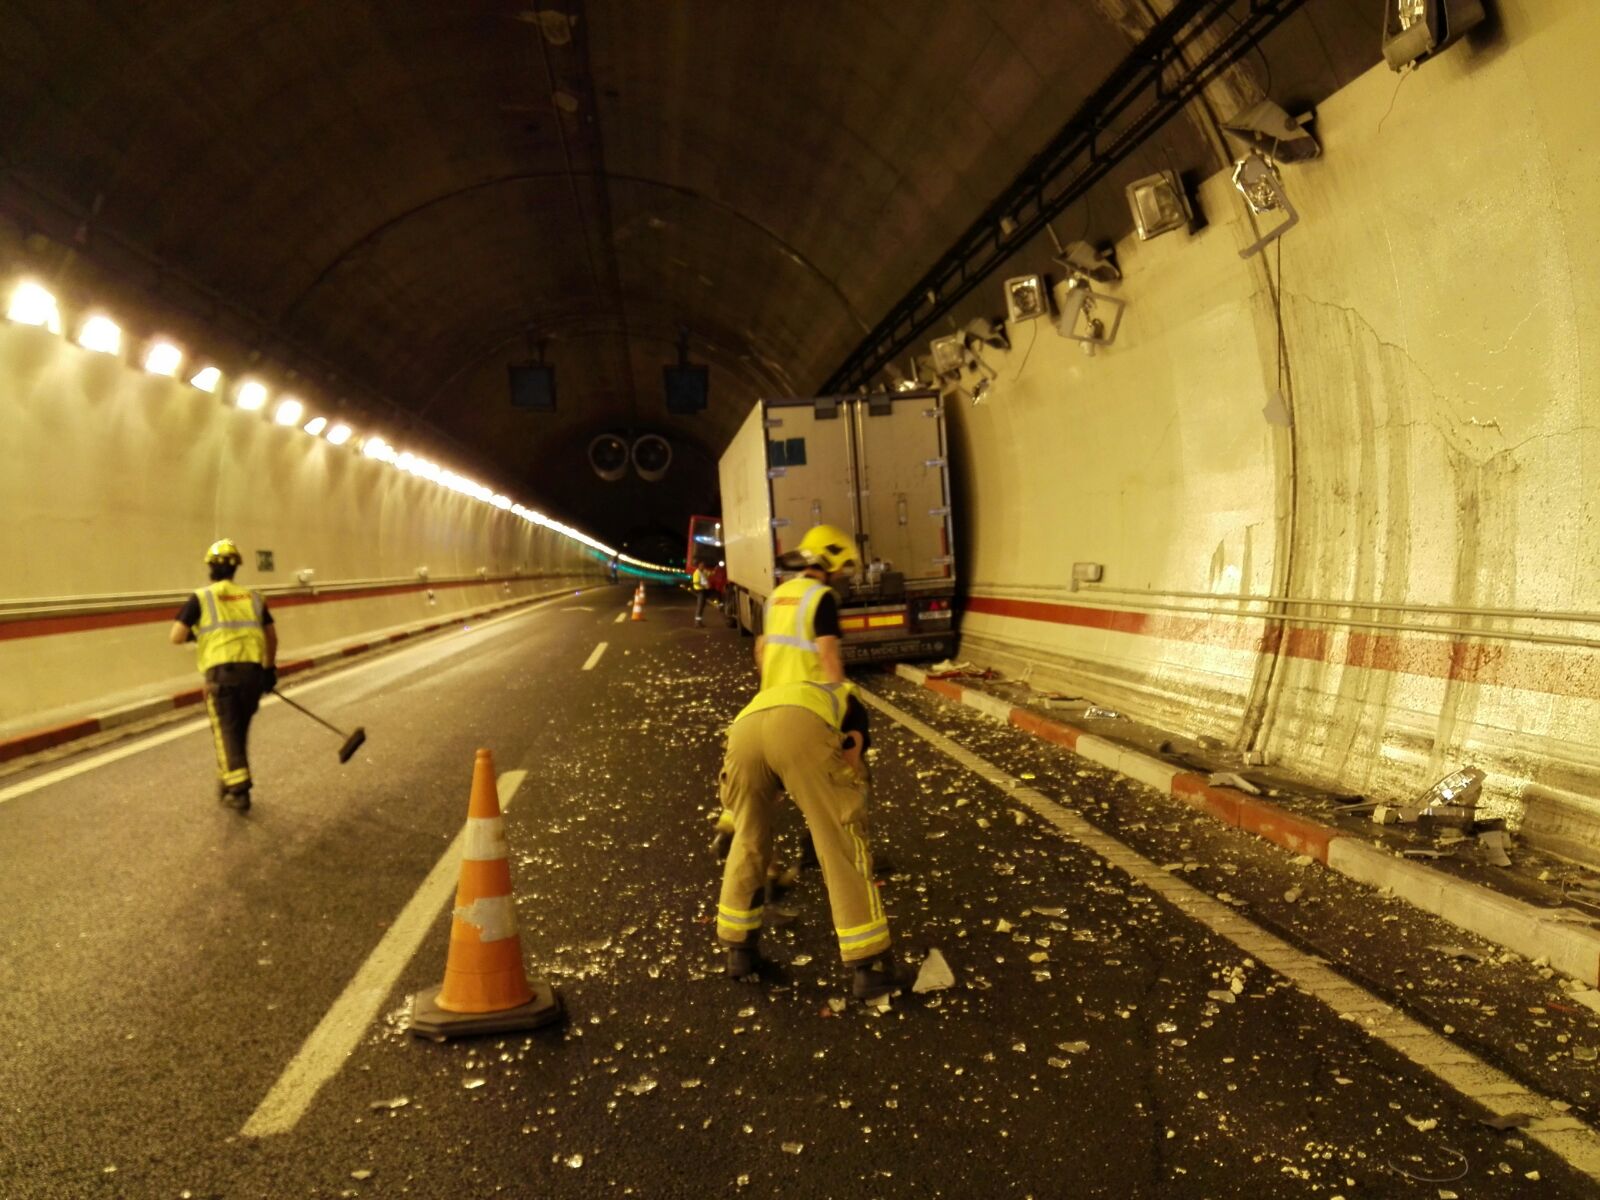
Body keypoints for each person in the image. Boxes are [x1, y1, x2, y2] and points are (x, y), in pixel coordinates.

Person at [714, 523, 902, 1001]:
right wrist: (852, 759)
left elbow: (760, 652)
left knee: (750, 838)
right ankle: (869, 965)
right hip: (806, 719)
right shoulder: (821, 603)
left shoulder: (777, 597)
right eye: (841, 571)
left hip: (750, 721)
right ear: (830, 566)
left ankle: (738, 948)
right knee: (839, 836)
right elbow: (832, 665)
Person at [169, 538, 277, 812]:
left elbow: (176, 636)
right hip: (252, 674)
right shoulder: (253, 597)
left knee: (226, 731)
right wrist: (269, 669)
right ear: (235, 569)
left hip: (222, 677)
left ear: (211, 568)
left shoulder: (202, 597)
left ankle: (239, 790)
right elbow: (271, 636)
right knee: (238, 730)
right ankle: (227, 779)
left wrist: (198, 634)